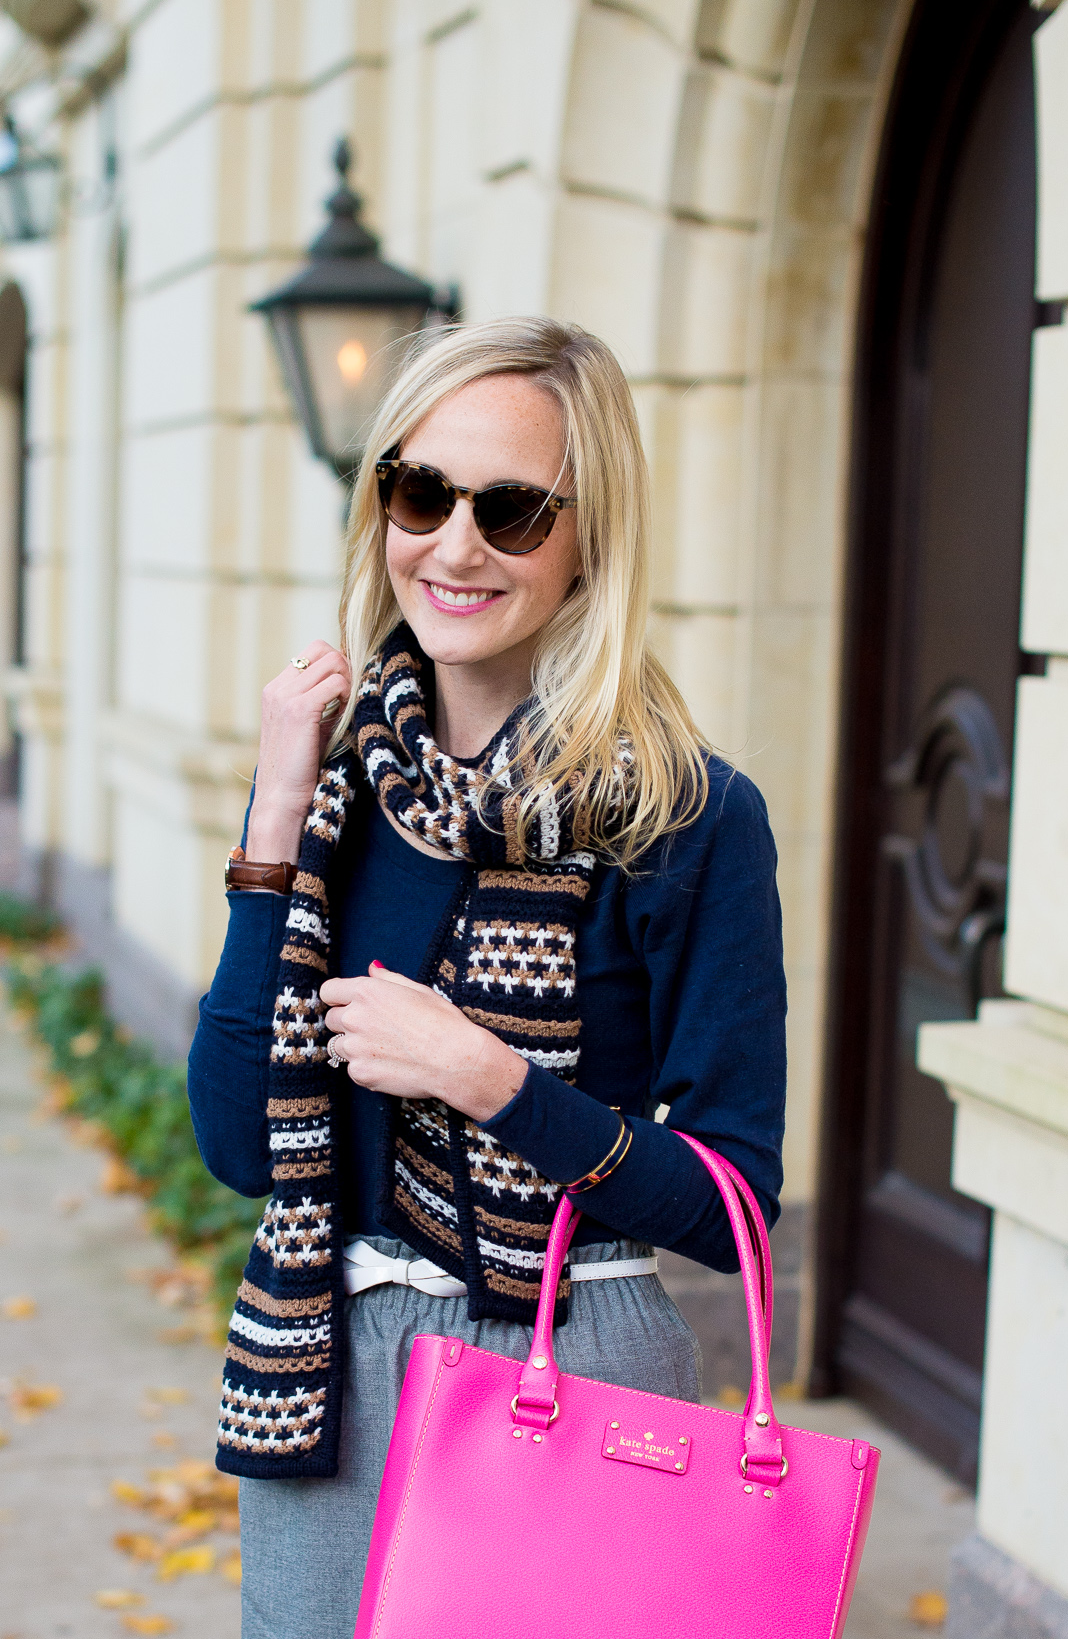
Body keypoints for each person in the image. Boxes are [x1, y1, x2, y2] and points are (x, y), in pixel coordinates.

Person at [188, 316, 787, 1639]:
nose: (454, 545)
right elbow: (238, 1144)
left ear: (588, 543)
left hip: (577, 1362)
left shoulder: (684, 819)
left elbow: (735, 1200)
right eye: (421, 492)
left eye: (511, 510)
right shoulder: (333, 797)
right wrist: (276, 814)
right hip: (331, 1372)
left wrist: (493, 1079)